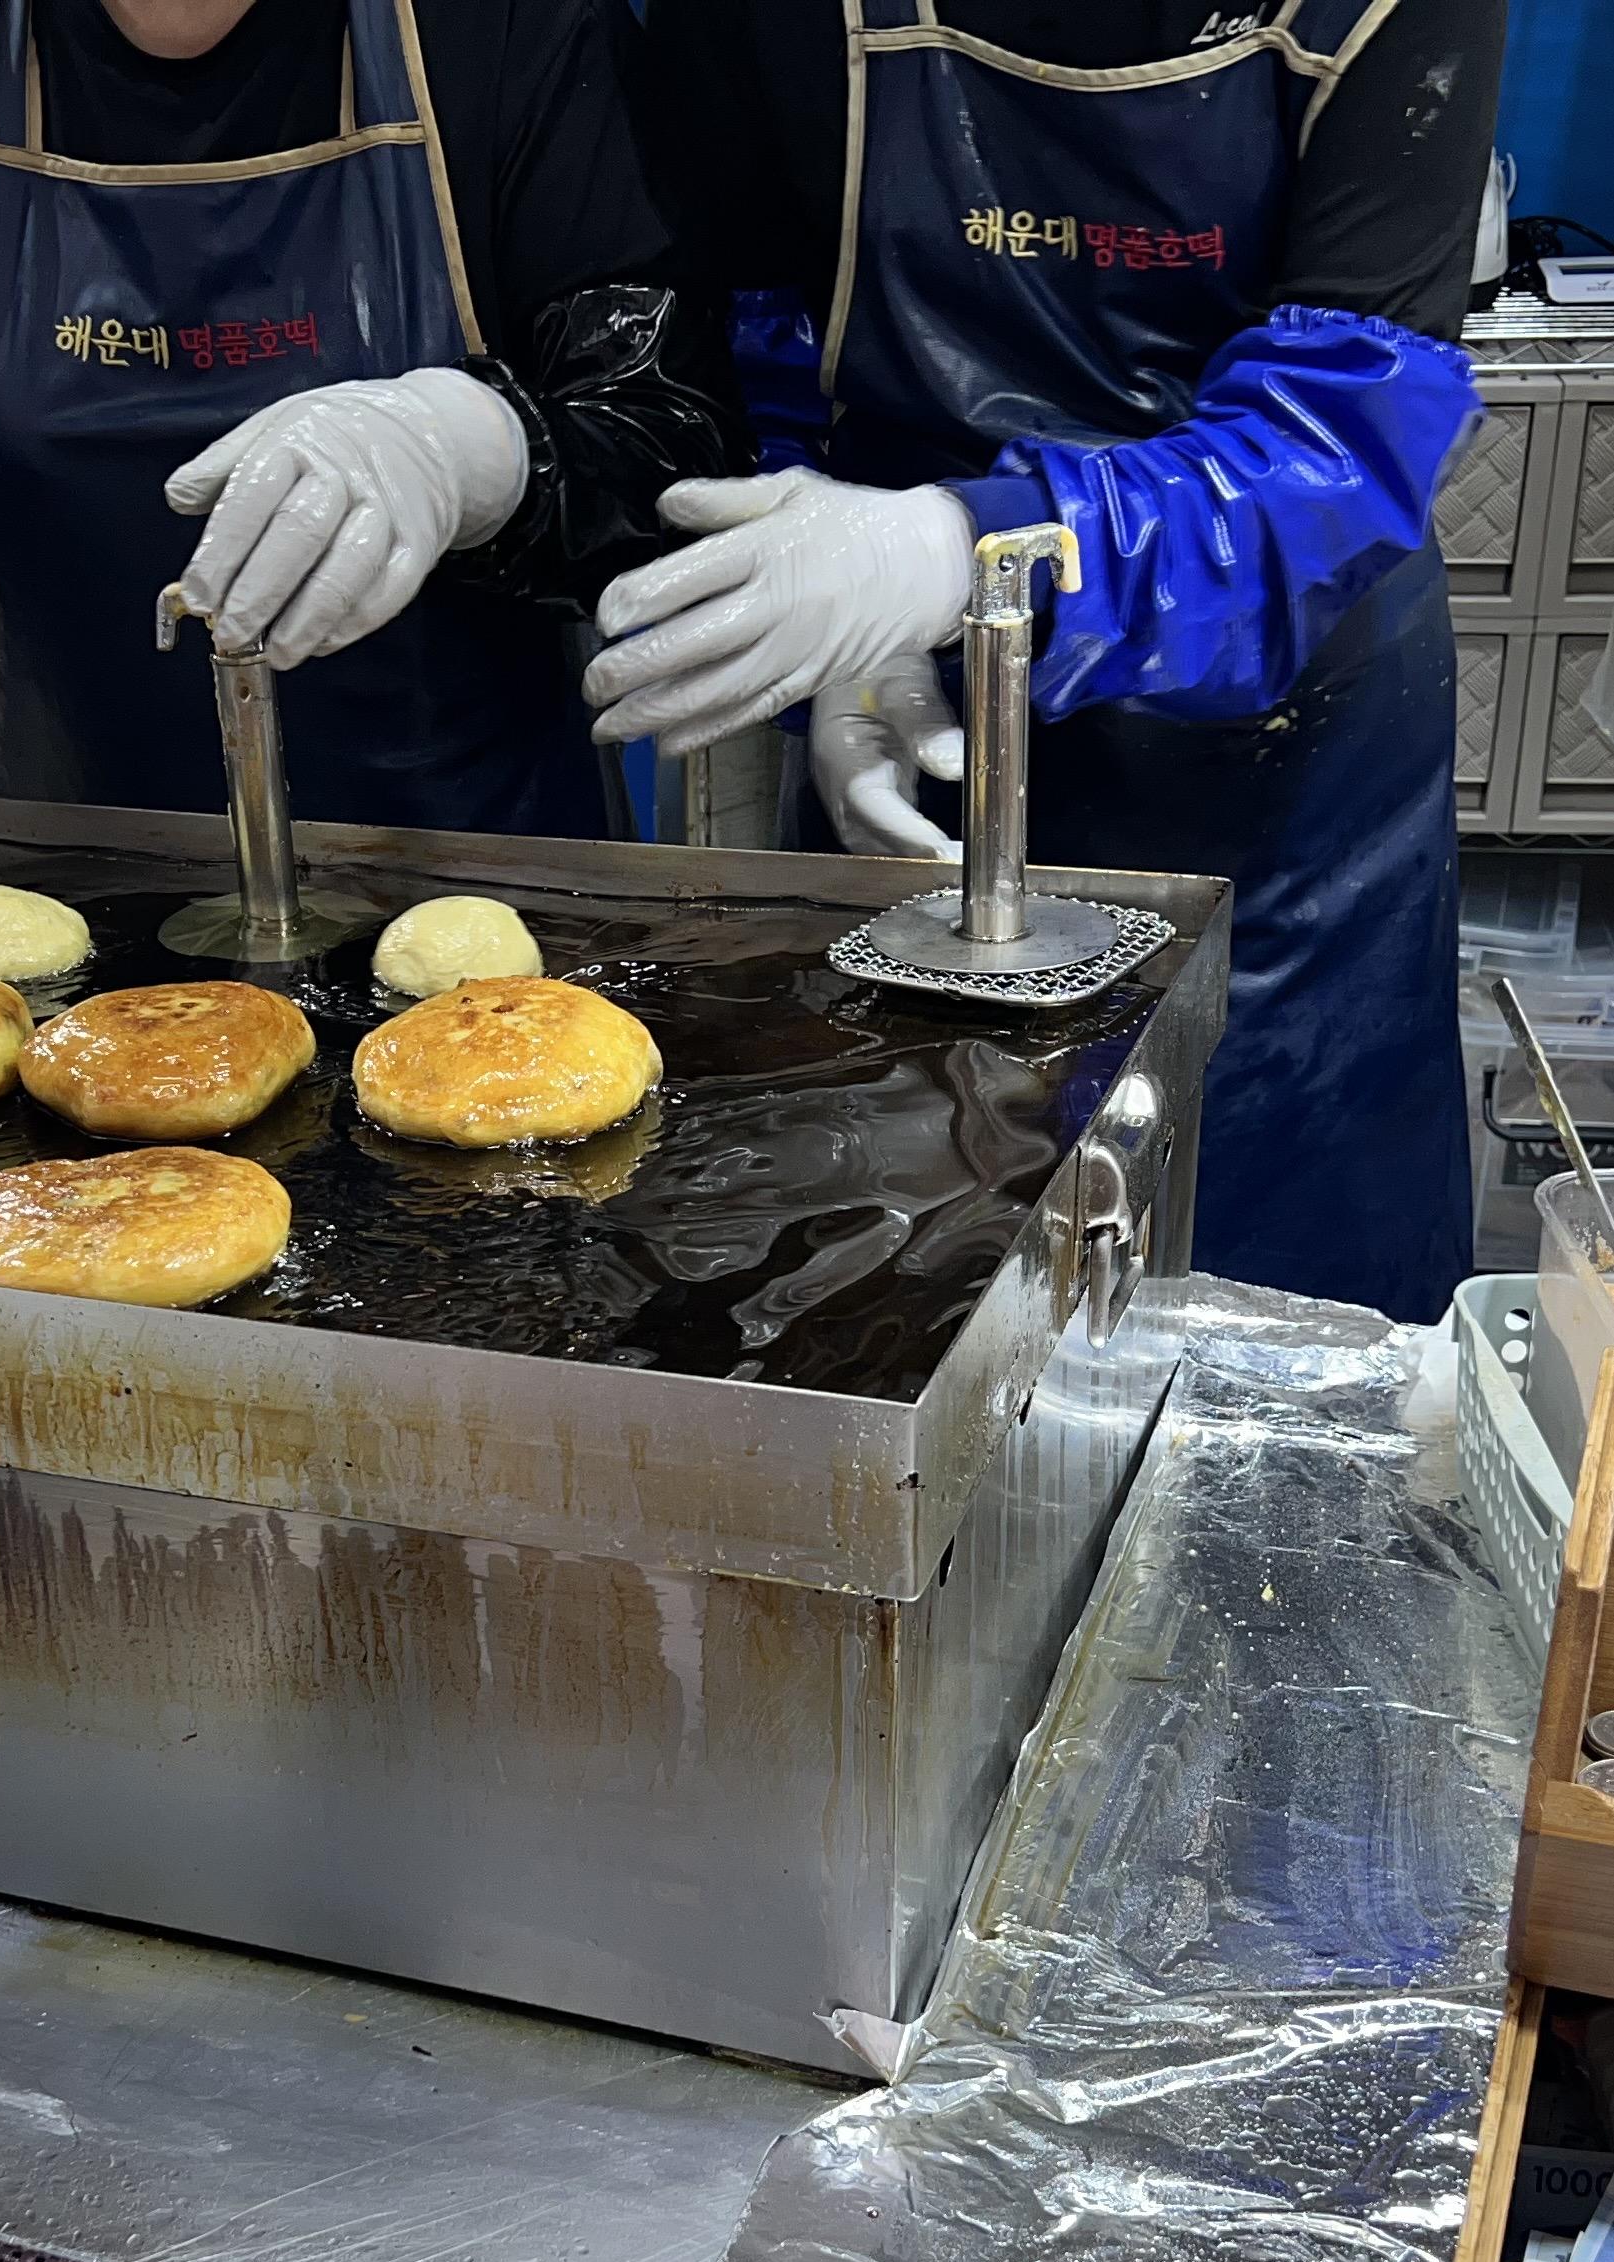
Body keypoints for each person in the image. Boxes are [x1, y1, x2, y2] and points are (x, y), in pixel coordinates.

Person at [591, 0, 1499, 1322]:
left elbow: (1336, 452)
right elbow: (762, 336)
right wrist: (841, 619)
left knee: (1257, 1330)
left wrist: (965, 545)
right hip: (914, 693)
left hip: (1275, 766)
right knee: (911, 1299)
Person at [0, 0, 743, 853]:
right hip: (57, 902)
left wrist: (471, 449)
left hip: (478, 899)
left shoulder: (507, 25)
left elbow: (667, 442)